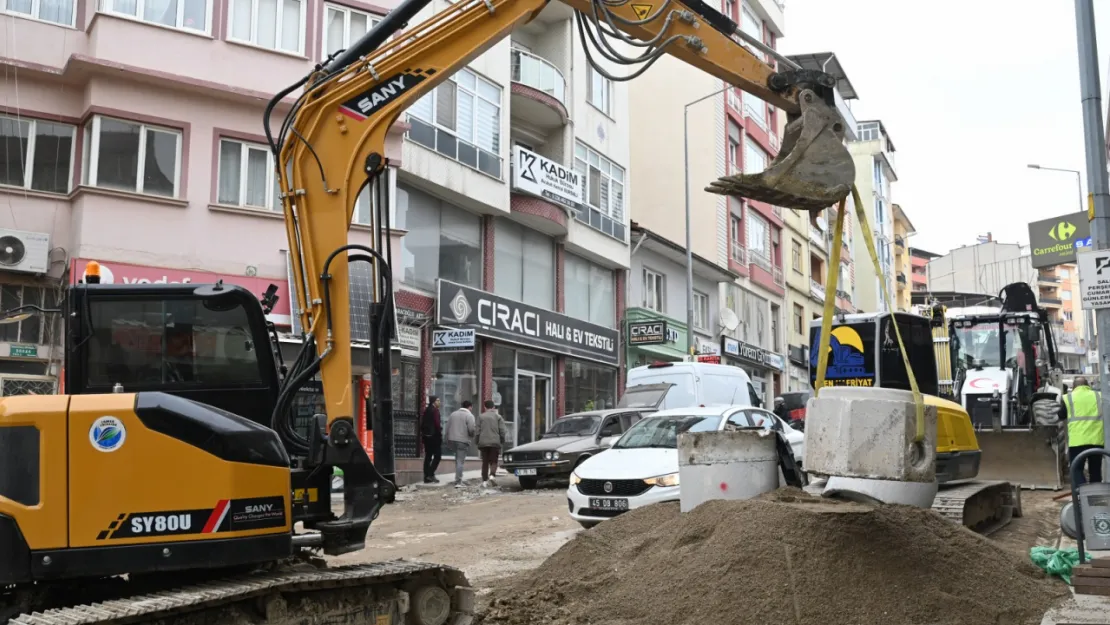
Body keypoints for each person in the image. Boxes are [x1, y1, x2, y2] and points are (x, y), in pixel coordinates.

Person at [1059, 376, 1105, 486]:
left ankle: (1081, 493)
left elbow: (1061, 415)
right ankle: (1095, 494)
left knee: (1077, 469)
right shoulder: (1099, 396)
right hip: (1096, 440)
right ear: (1087, 385)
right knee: (1095, 470)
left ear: (1074, 386)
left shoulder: (1068, 398)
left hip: (1077, 441)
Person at [445, 400, 476, 487]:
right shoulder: (469, 415)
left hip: (452, 440)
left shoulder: (453, 414)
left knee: (457, 459)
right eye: (471, 407)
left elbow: (447, 428)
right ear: (470, 407)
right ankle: (458, 481)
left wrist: (447, 439)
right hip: (462, 441)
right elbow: (471, 429)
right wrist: (471, 436)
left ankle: (458, 477)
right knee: (460, 461)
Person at [477, 400, 508, 484]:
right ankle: (492, 475)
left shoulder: (481, 417)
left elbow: (477, 431)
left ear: (485, 407)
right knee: (494, 460)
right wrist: (502, 440)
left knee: (485, 461)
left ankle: (484, 480)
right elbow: (502, 430)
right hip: (494, 442)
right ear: (494, 407)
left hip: (483, 442)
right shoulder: (498, 417)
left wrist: (477, 441)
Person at [421, 396, 442, 484]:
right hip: (434, 437)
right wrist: (440, 431)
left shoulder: (427, 410)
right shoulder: (435, 411)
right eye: (438, 400)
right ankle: (430, 474)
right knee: (438, 455)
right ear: (433, 401)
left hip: (426, 436)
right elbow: (437, 423)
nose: (439, 402)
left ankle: (426, 476)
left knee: (428, 456)